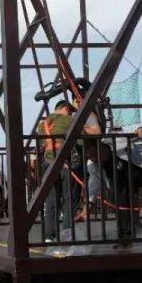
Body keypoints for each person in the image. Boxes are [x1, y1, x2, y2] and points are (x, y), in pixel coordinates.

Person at [37, 100, 82, 241]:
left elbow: (41, 145)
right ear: (64, 108)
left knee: (51, 201)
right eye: (70, 111)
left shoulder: (42, 125)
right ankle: (68, 234)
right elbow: (80, 141)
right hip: (65, 164)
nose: (70, 114)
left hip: (48, 165)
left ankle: (49, 236)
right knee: (68, 200)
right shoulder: (69, 120)